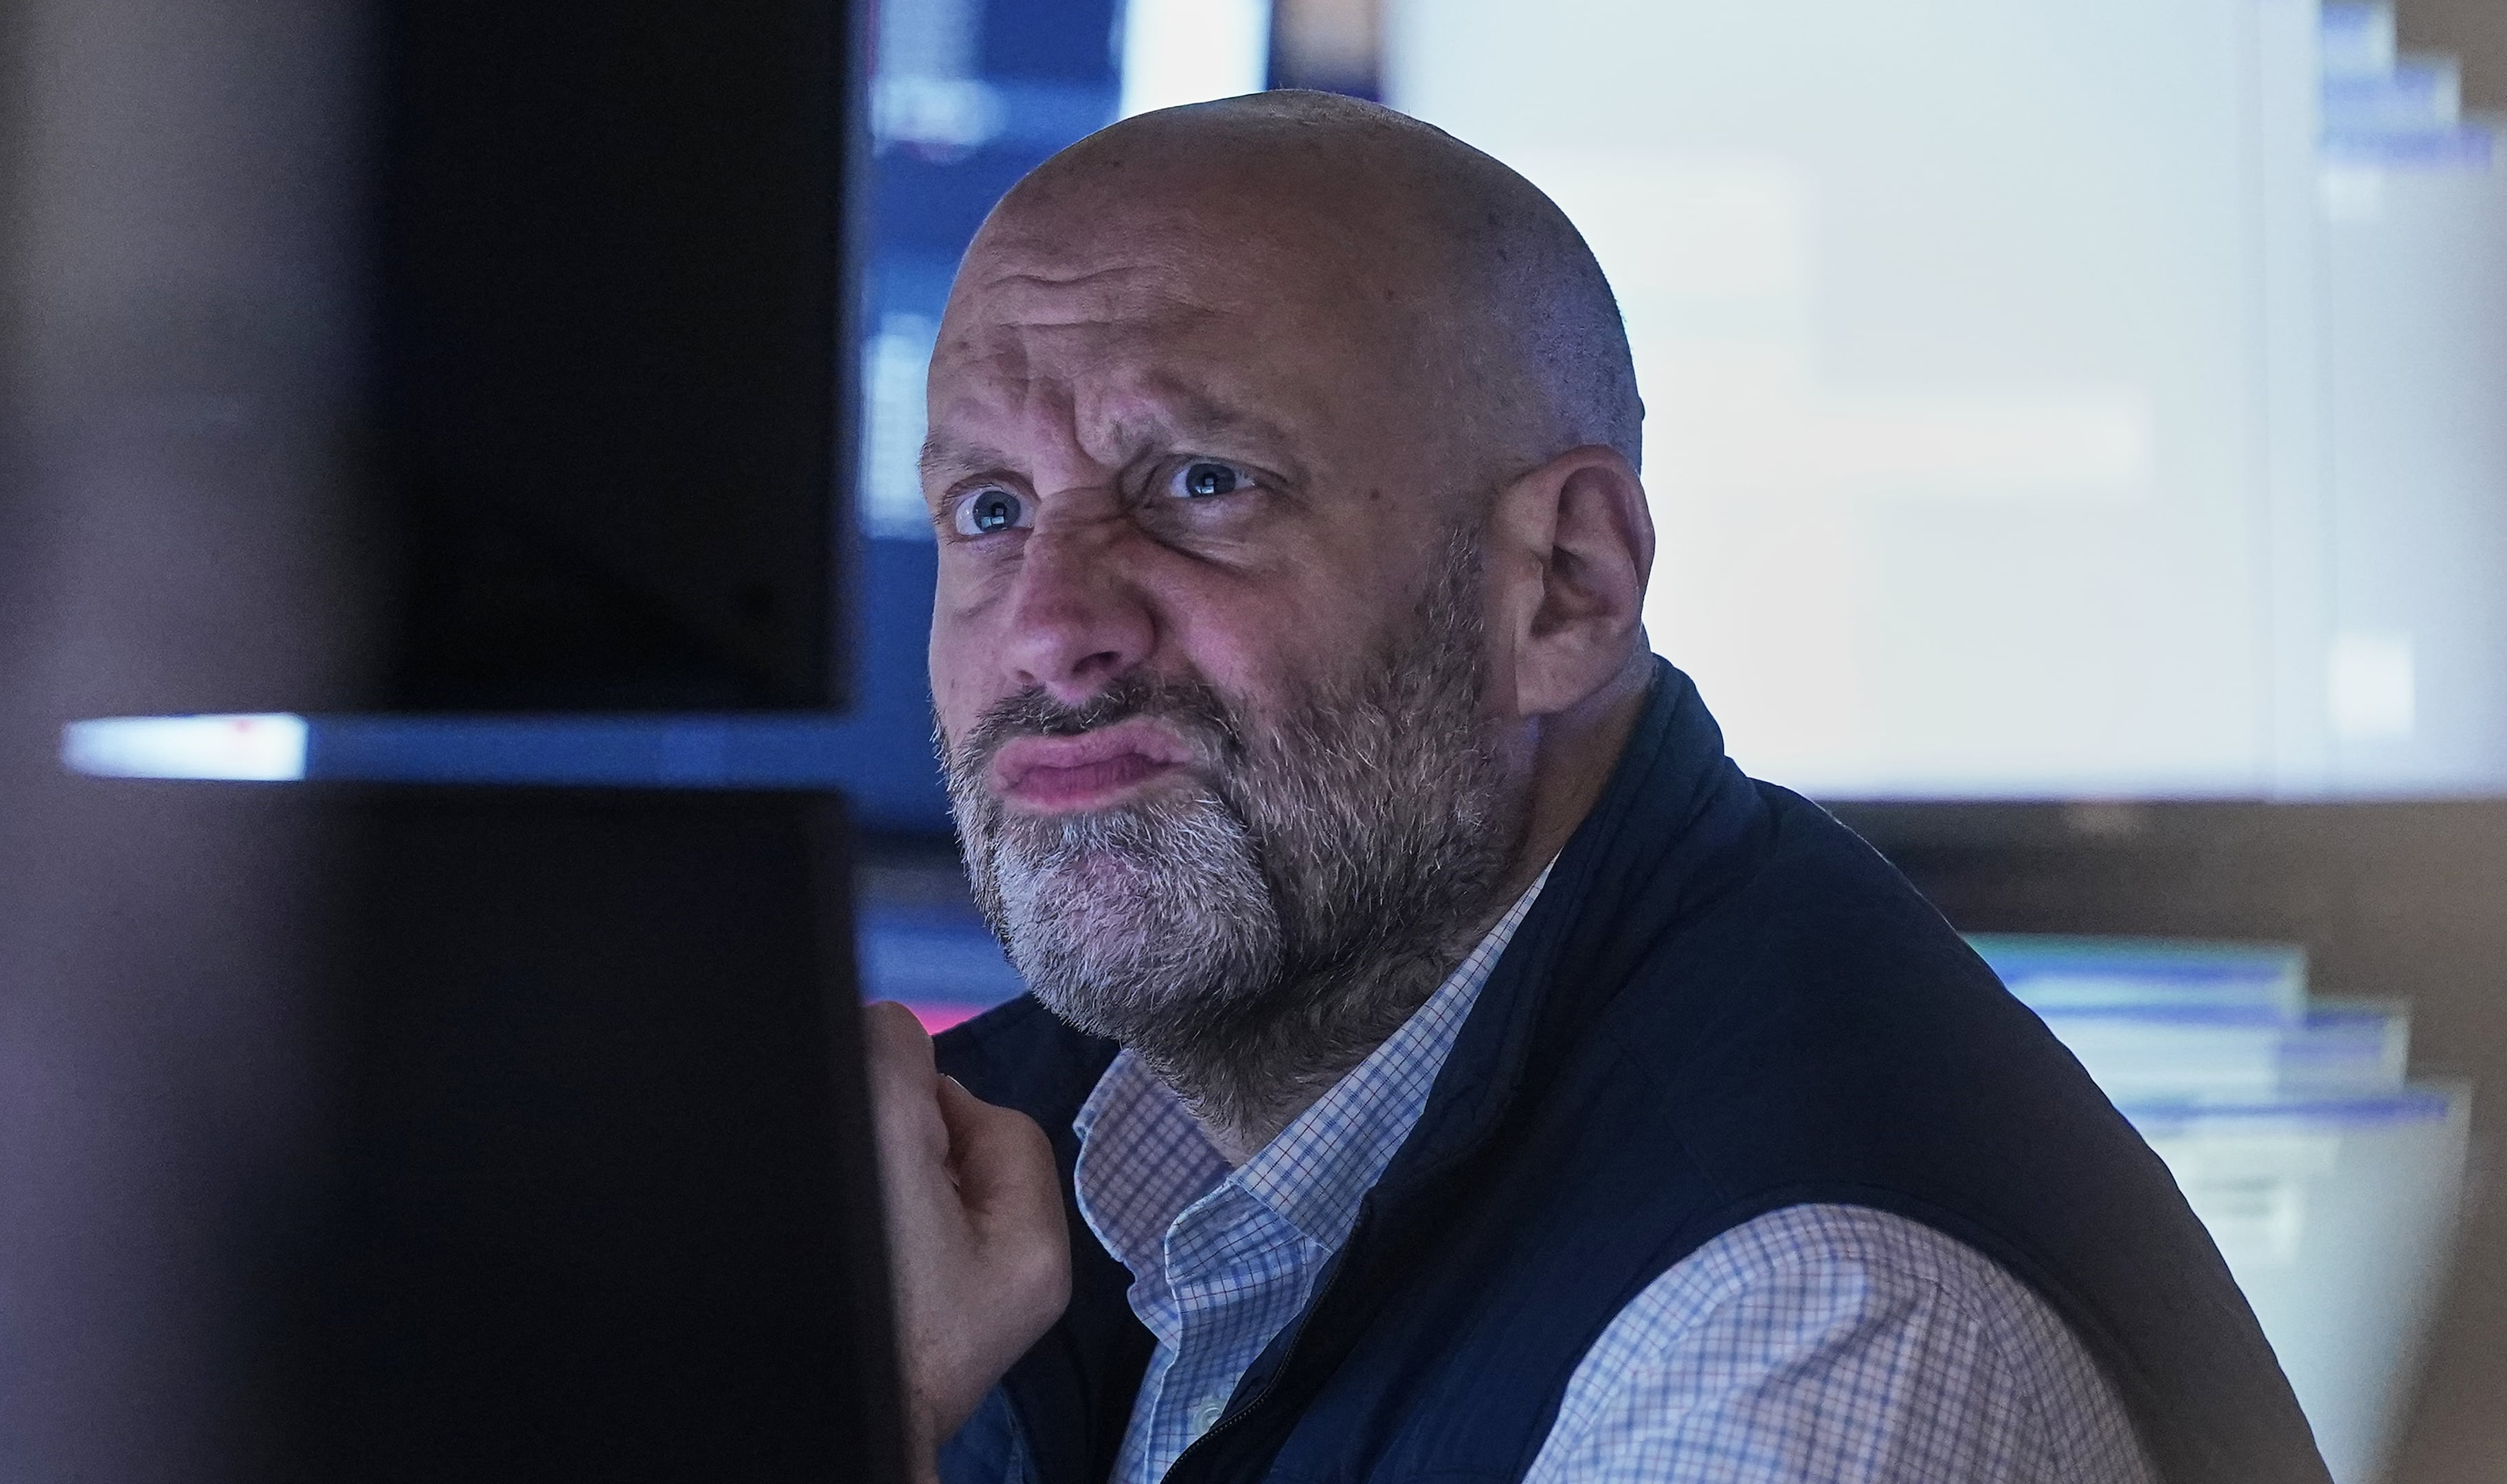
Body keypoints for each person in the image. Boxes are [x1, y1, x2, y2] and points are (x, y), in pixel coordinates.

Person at [864, 91, 2325, 1484]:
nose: (1052, 626)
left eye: (1204, 485)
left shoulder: (1816, 1332)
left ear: (1565, 588)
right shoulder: (1081, 1128)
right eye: (991, 511)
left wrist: (862, 1424)